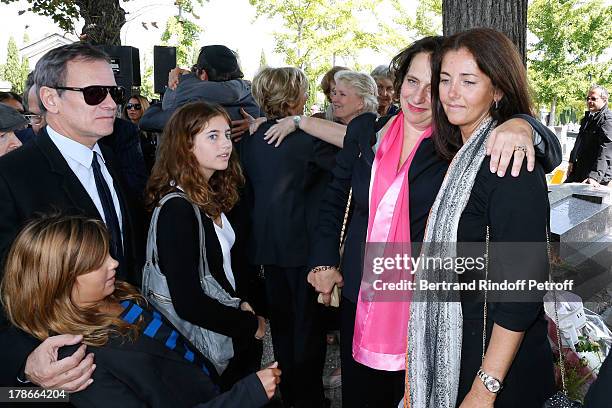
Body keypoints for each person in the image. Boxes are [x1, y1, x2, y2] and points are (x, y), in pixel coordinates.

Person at [405, 28, 556, 408]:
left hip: (497, 372)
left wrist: (484, 389)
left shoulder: (510, 161)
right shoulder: (455, 153)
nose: (451, 92)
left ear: (498, 90)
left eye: (468, 81)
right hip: (453, 355)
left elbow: (523, 287)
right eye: (445, 79)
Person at [1, 213, 281, 407]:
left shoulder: (118, 295)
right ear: (59, 279)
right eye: (96, 262)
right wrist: (245, 396)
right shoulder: (78, 364)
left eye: (108, 254)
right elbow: (15, 397)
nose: (113, 264)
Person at [0, 42, 144, 389]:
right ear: (51, 100)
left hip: (125, 347)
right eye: (95, 93)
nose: (111, 104)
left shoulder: (107, 158)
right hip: (63, 368)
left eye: (114, 92)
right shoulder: (11, 176)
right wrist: (24, 365)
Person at [145, 101, 266, 391]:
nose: (225, 144)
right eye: (212, 136)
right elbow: (188, 302)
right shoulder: (178, 209)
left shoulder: (205, 195)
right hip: (201, 345)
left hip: (225, 331)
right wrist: (251, 326)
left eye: (226, 134)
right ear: (185, 145)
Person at [239, 67, 340, 408]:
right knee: (307, 329)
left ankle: (289, 392)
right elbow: (355, 150)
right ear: (295, 95)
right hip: (305, 248)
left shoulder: (251, 138)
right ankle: (308, 398)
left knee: (283, 327)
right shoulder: (310, 139)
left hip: (267, 247)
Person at [140, 45, 260, 141]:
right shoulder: (250, 101)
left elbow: (151, 121)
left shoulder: (182, 90)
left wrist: (157, 106)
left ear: (203, 73)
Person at [566, 84, 612, 186]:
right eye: (588, 98)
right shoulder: (587, 118)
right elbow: (580, 140)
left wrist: (594, 177)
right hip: (580, 169)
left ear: (604, 100)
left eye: (593, 99)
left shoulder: (607, 119)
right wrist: (572, 160)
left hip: (596, 176)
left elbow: (606, 149)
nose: (589, 101)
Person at [122, 93, 158, 174]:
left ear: (143, 108)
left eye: (137, 106)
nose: (132, 109)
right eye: (129, 106)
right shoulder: (121, 131)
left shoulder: (152, 132)